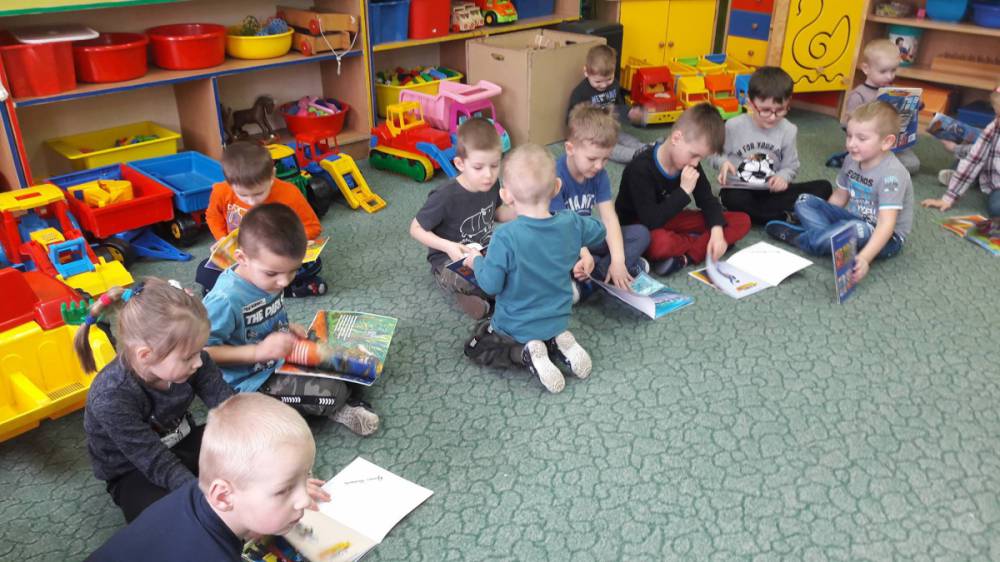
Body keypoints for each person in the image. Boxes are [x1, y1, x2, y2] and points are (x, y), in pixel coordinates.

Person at [86, 393, 329, 562]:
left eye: (305, 475)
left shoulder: (195, 494)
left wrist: (290, 484)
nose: (304, 499)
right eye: (283, 490)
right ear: (223, 496)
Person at [203, 203, 379, 435]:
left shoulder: (269, 278)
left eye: (293, 270)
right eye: (272, 273)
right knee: (332, 392)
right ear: (242, 258)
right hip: (250, 382)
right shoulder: (225, 299)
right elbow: (202, 354)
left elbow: (265, 318)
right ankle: (340, 408)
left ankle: (336, 397)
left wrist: (287, 328)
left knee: (358, 360)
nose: (284, 282)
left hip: (281, 356)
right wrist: (257, 352)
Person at [75, 278, 234, 523]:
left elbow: (228, 407)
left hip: (183, 441)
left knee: (244, 447)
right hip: (133, 470)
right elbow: (155, 461)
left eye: (199, 351)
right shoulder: (111, 396)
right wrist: (202, 503)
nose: (199, 362)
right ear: (146, 355)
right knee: (167, 520)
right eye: (188, 357)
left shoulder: (194, 360)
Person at [463, 144, 605, 393]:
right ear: (557, 187)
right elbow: (600, 231)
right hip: (558, 317)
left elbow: (490, 284)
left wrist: (475, 260)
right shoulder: (571, 223)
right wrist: (576, 239)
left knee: (476, 347)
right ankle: (558, 341)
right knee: (546, 326)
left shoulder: (505, 237)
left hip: (515, 324)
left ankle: (524, 353)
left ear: (506, 196)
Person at [766, 100, 914, 282]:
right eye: (849, 136)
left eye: (861, 139)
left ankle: (804, 240)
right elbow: (840, 196)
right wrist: (826, 216)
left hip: (887, 237)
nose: (851, 144)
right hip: (853, 221)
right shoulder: (851, 160)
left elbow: (886, 224)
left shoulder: (892, 175)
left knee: (854, 229)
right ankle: (829, 238)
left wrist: (865, 258)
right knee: (804, 201)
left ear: (886, 142)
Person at [615, 103, 751, 276]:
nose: (695, 163)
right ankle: (701, 244)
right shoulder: (640, 168)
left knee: (742, 220)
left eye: (700, 158)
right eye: (694, 155)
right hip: (640, 226)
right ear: (676, 138)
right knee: (660, 244)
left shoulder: (690, 163)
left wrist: (717, 231)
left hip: (672, 218)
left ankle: (685, 257)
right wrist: (684, 191)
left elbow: (707, 200)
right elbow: (650, 221)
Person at [410, 117, 515, 319]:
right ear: (460, 163)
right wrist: (449, 247)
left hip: (483, 252)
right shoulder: (445, 195)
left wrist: (520, 209)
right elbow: (415, 229)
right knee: (475, 280)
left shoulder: (491, 184)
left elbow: (496, 213)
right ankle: (469, 297)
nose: (488, 175)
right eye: (478, 167)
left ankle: (485, 298)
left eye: (495, 165)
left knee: (513, 262)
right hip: (449, 260)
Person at [197, 141, 327, 297]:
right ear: (230, 183)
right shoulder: (221, 191)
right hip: (243, 259)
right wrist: (222, 239)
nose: (252, 202)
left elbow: (313, 227)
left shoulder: (289, 194)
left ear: (272, 175)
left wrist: (295, 241)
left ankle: (255, 292)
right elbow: (212, 216)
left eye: (259, 193)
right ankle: (289, 290)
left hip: (277, 259)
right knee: (204, 271)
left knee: (312, 264)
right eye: (243, 195)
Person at [711, 66, 833, 225]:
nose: (772, 117)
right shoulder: (733, 126)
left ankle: (767, 214)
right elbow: (715, 154)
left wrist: (783, 177)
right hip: (739, 189)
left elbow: (790, 166)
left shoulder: (789, 130)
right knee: (735, 200)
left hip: (771, 191)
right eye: (766, 110)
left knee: (824, 187)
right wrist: (723, 162)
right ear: (750, 103)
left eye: (780, 110)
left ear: (788, 103)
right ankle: (784, 217)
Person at [552, 104, 650, 297]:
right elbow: (562, 227)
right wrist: (584, 254)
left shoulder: (599, 175)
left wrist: (618, 260)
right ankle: (614, 270)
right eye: (592, 159)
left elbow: (609, 218)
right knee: (551, 257)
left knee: (640, 234)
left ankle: (595, 277)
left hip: (586, 237)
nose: (599, 166)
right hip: (561, 240)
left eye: (605, 159)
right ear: (570, 148)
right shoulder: (555, 176)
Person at [838, 39, 919, 174]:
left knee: (913, 164)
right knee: (863, 160)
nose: (889, 76)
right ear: (866, 69)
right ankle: (862, 163)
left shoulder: (892, 91)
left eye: (893, 70)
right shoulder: (858, 95)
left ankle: (879, 165)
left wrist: (913, 105)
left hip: (889, 142)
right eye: (883, 71)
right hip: (867, 145)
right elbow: (847, 125)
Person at [922, 83, 1000, 218]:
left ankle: (969, 179)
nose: (997, 120)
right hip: (992, 173)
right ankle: (965, 178)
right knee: (996, 208)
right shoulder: (994, 127)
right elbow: (974, 160)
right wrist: (948, 198)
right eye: (997, 114)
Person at [566, 44, 645, 163]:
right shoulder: (580, 92)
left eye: (609, 79)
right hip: (592, 134)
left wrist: (629, 112)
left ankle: (647, 149)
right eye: (598, 81)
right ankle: (637, 155)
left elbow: (618, 106)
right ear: (586, 72)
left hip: (610, 127)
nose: (603, 85)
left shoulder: (615, 85)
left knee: (626, 138)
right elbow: (571, 118)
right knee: (608, 149)